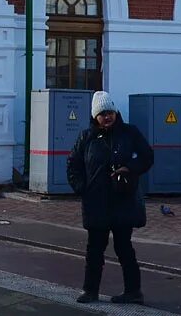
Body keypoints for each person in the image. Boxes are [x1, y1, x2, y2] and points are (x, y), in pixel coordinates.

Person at [66, 90, 154, 304]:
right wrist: (81, 187)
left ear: (115, 112)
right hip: (96, 202)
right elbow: (73, 164)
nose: (107, 116)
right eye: (102, 113)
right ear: (95, 116)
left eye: (110, 112)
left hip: (123, 199)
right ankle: (90, 290)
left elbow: (147, 156)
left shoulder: (129, 133)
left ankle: (133, 292)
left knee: (124, 247)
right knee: (94, 249)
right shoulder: (86, 137)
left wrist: (129, 168)